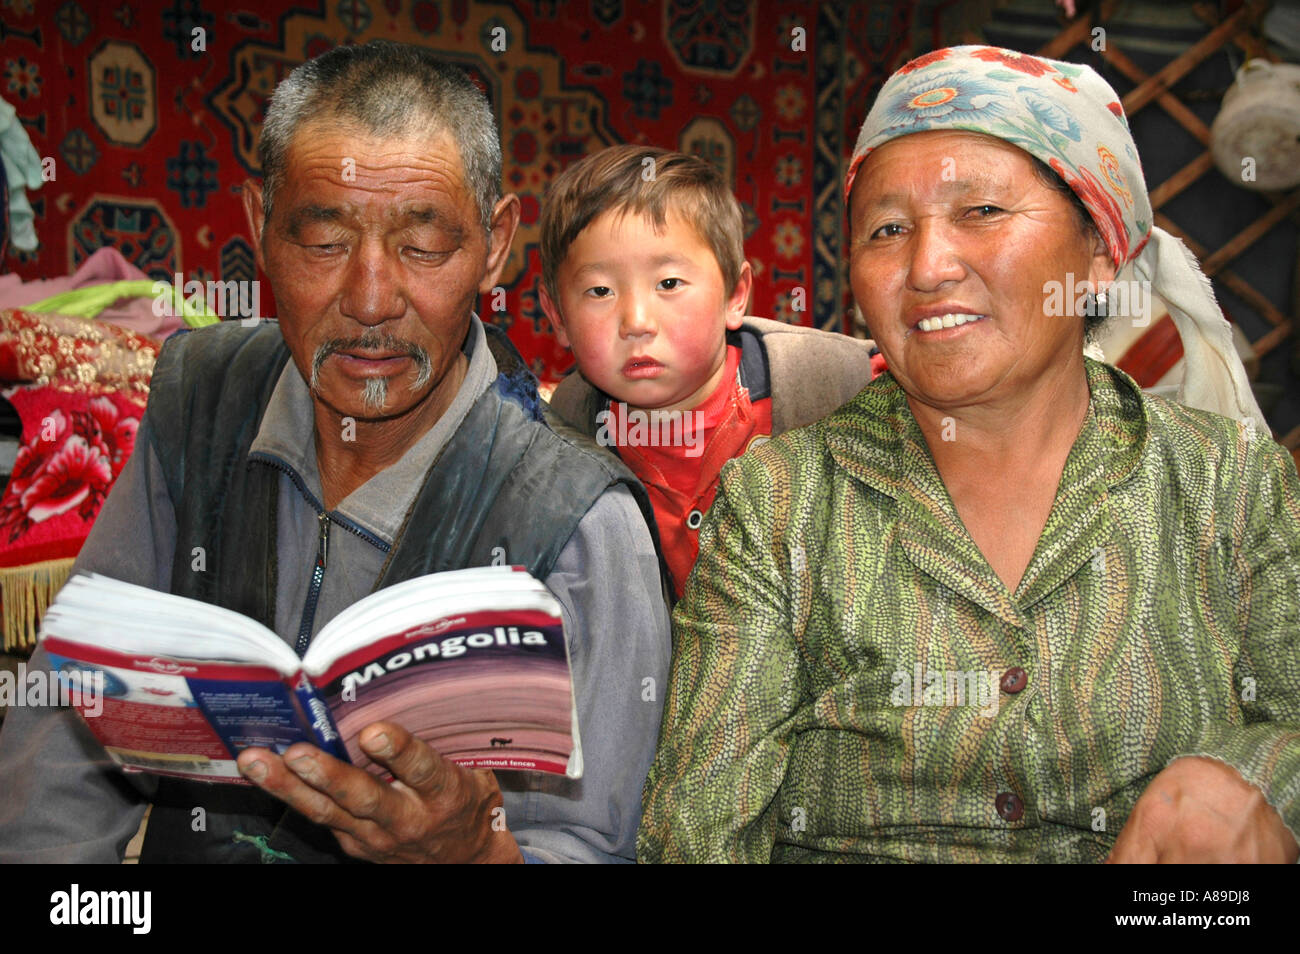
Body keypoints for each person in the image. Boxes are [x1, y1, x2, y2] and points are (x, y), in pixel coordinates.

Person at [0, 40, 670, 864]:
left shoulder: (579, 521)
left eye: (424, 246)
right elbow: (63, 750)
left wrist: (477, 854)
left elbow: (596, 847)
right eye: (322, 241)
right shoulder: (201, 406)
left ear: (496, 244)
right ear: (258, 225)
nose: (370, 301)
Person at [638, 45, 1299, 863]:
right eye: (887, 230)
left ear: (1097, 254)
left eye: (981, 211)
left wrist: (1250, 776)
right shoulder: (781, 504)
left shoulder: (1227, 482)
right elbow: (696, 832)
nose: (926, 267)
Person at [541, 145, 884, 598]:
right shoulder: (563, 428)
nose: (636, 322)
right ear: (558, 316)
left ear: (735, 296)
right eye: (600, 290)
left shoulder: (840, 381)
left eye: (668, 284)